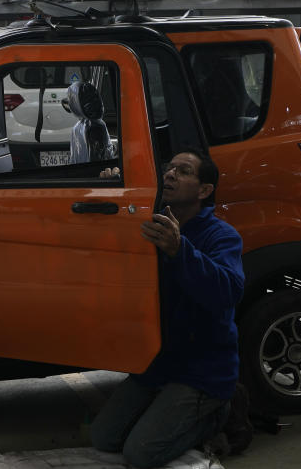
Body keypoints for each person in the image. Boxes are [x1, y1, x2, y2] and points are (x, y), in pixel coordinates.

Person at [90, 149, 246, 468]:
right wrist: (112, 194)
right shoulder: (149, 222)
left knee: (141, 453)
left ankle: (220, 415)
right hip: (158, 362)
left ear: (204, 190)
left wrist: (179, 250)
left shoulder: (221, 236)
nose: (170, 174)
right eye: (169, 168)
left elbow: (229, 291)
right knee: (103, 437)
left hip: (203, 370)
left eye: (184, 171)